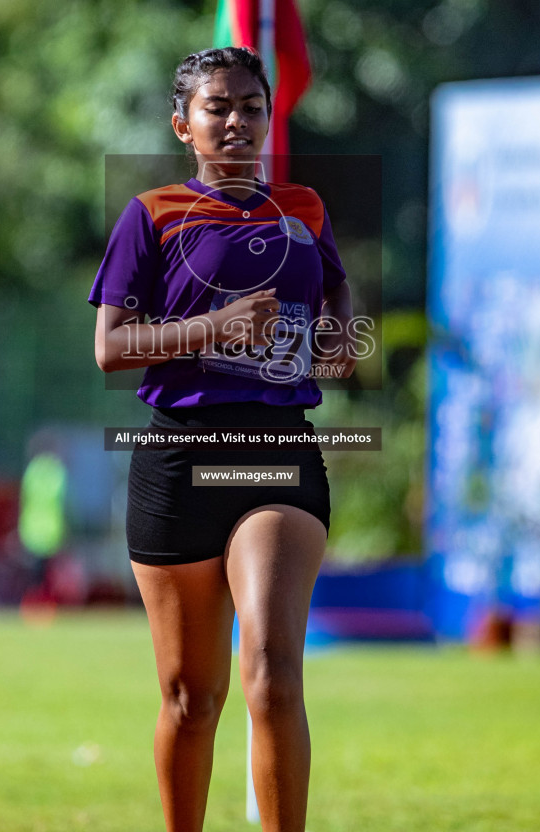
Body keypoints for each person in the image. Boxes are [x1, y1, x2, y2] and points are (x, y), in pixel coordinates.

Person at [90, 46, 355, 832]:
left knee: (271, 677)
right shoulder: (152, 213)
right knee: (189, 696)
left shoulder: (303, 208)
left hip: (279, 449)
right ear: (184, 124)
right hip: (177, 456)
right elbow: (110, 346)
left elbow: (336, 287)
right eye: (218, 106)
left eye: (250, 105)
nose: (236, 120)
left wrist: (338, 331)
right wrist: (215, 327)